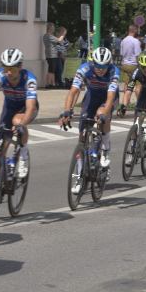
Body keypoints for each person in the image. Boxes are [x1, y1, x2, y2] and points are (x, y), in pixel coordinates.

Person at [0, 49, 39, 208]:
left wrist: (21, 125)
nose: (8, 72)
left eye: (13, 69)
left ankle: (23, 157)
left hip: (26, 108)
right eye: (5, 68)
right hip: (9, 107)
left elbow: (30, 107)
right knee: (0, 149)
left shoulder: (30, 79)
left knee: (18, 120)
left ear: (20, 67)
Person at [59, 47, 119, 192]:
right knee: (82, 136)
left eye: (103, 66)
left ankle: (105, 149)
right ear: (93, 63)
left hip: (108, 98)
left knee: (101, 114)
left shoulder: (113, 71)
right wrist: (67, 111)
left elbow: (111, 97)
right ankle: (80, 175)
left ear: (108, 65)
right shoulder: (84, 69)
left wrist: (104, 114)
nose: (100, 69)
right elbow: (73, 92)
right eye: (97, 66)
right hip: (91, 97)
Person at [117, 51, 146, 164]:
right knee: (137, 120)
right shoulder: (136, 72)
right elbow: (128, 92)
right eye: (143, 67)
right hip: (145, 92)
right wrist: (123, 106)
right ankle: (132, 151)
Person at [120, 25, 142, 101]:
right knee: (138, 85)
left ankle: (125, 102)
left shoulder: (123, 41)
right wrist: (140, 65)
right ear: (135, 30)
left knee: (127, 84)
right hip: (134, 65)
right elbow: (137, 55)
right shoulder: (135, 41)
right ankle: (139, 102)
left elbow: (122, 54)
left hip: (125, 64)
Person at [43, 23, 66, 89]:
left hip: (50, 55)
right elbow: (59, 40)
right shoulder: (49, 36)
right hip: (51, 55)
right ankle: (48, 84)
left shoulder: (46, 36)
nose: (54, 29)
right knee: (51, 70)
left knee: (53, 70)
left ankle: (53, 84)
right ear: (51, 29)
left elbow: (56, 38)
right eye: (53, 28)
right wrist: (63, 34)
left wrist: (60, 34)